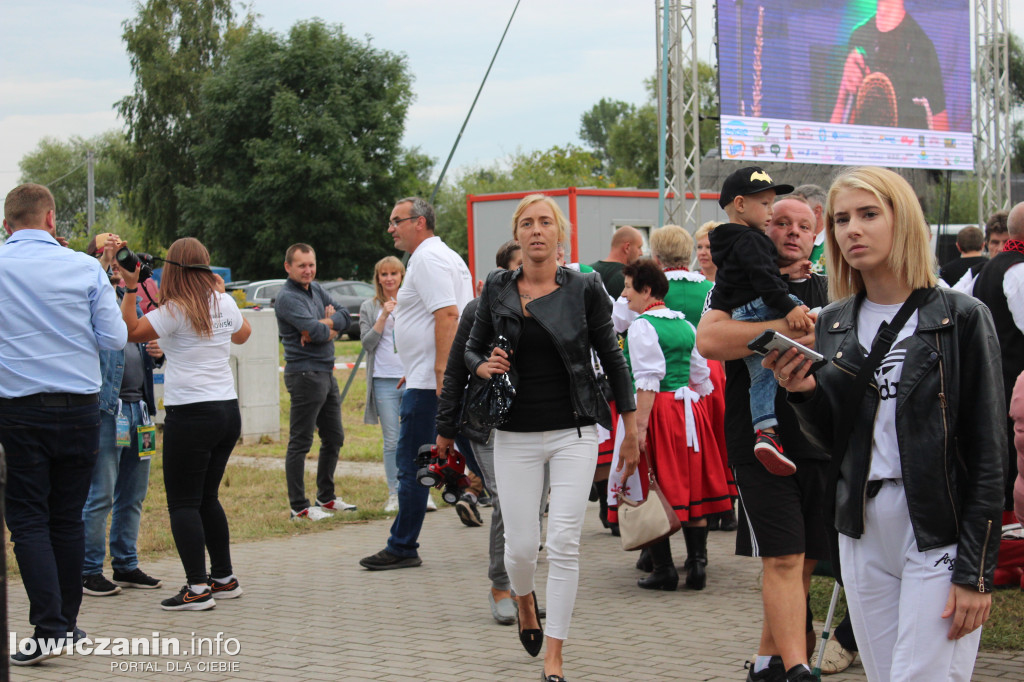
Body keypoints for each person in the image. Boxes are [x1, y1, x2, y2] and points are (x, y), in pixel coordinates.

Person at [771, 166, 1003, 682]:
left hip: (937, 522)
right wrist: (802, 394)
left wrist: (977, 572)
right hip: (861, 524)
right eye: (840, 219)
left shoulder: (960, 316)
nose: (852, 229)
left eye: (869, 214)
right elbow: (832, 442)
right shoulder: (833, 321)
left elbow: (989, 450)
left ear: (904, 221)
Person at [466, 194, 638, 682]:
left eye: (546, 222)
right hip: (514, 434)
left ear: (560, 234)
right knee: (520, 550)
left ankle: (555, 656)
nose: (537, 230)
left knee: (563, 541)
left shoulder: (585, 287)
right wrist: (481, 365)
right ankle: (524, 599)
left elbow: (612, 353)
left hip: (574, 430)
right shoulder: (498, 286)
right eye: (527, 223)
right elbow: (470, 348)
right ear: (517, 235)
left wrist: (632, 425)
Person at [697, 197, 830, 682]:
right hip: (759, 440)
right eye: (780, 223)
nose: (792, 233)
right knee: (783, 556)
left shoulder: (833, 285)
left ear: (816, 236)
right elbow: (710, 341)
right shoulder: (733, 286)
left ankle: (766, 663)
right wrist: (792, 325)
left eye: (803, 225)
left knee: (805, 560)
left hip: (822, 435)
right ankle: (797, 667)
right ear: (763, 229)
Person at [0, 183, 127, 665]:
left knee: (28, 517)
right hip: (79, 407)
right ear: (51, 219)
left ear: (7, 225)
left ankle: (50, 625)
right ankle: (68, 623)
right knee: (66, 515)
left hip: (19, 408)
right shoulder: (83, 267)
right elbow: (114, 337)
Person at [119, 237, 252, 611]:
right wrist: (222, 297)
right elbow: (243, 335)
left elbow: (130, 331)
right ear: (206, 266)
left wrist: (131, 288)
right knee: (207, 497)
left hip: (191, 413)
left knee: (183, 503)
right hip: (227, 411)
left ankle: (197, 588)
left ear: (173, 269)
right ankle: (224, 579)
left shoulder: (175, 309)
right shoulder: (221, 301)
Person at [360, 196, 473, 570]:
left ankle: (403, 545)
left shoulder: (426, 259)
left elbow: (448, 314)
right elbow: (440, 319)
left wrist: (439, 371)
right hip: (428, 376)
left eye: (396, 221)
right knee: (467, 458)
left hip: (430, 386)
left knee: (412, 464)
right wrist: (423, 363)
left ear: (419, 222)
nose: (391, 228)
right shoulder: (446, 256)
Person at [620, 259, 730, 591]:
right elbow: (702, 377)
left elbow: (648, 382)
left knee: (655, 483)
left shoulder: (642, 325)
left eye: (628, 287)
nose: (625, 296)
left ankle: (664, 569)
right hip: (690, 412)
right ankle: (697, 566)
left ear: (646, 290)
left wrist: (638, 429)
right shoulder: (685, 324)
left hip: (661, 411)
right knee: (692, 485)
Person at [436, 240, 523, 625]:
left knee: (532, 509)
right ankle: (500, 586)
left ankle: (526, 587)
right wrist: (444, 431)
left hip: (536, 423)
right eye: (519, 266)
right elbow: (456, 370)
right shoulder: (478, 310)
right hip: (487, 424)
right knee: (507, 501)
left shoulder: (550, 305)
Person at [708, 166, 811, 477]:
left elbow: (744, 281)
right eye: (768, 207)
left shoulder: (729, 242)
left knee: (763, 376)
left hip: (742, 311)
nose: (770, 212)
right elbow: (764, 282)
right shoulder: (752, 240)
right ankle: (766, 431)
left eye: (805, 226)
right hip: (762, 308)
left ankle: (766, 432)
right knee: (812, 319)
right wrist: (792, 313)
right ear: (740, 205)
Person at [81, 233, 165, 598]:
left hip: (140, 409)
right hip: (106, 410)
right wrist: (98, 257)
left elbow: (143, 345)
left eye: (120, 259)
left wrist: (157, 353)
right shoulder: (86, 301)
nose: (117, 266)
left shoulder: (129, 299)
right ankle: (87, 570)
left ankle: (125, 563)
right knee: (100, 494)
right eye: (109, 260)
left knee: (132, 493)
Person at [275, 243, 358, 520]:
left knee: (334, 436)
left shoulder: (317, 289)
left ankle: (326, 497)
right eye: (301, 265)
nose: (308, 270)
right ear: (288, 267)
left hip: (325, 371)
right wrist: (323, 327)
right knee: (300, 441)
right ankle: (298, 506)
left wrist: (325, 325)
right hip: (304, 374)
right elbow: (313, 331)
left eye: (311, 264)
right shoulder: (288, 296)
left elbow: (346, 317)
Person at [969, 201, 1024, 526]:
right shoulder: (1017, 270)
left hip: (997, 383)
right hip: (1013, 388)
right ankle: (1009, 545)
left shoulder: (991, 266)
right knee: (1013, 468)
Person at [829, 0, 948, 131]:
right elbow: (840, 131)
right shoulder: (859, 36)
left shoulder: (921, 47)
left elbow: (941, 130)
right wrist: (843, 93)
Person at [360, 255, 407, 512]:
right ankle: (394, 493)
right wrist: (382, 318)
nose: (389, 279)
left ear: (402, 276)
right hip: (384, 381)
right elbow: (367, 343)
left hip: (411, 379)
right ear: (378, 278)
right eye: (384, 274)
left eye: (394, 274)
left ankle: (418, 492)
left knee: (414, 438)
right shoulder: (369, 306)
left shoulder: (411, 303)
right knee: (392, 441)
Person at [951, 210, 1009, 293]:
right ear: (986, 244)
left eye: (1006, 242)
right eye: (995, 243)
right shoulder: (975, 273)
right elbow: (952, 298)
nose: (1000, 248)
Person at [588, 224, 644, 299]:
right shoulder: (628, 277)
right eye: (639, 247)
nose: (641, 253)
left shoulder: (588, 270)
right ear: (627, 247)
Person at [790, 185, 827, 275]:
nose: (792, 214)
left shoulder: (836, 244)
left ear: (817, 211)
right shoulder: (791, 243)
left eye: (798, 209)